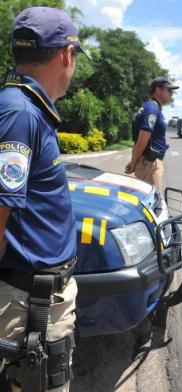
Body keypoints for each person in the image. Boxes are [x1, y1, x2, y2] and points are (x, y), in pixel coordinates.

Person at [0, 7, 89, 392]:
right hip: (29, 305)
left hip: (36, 299)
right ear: (66, 54)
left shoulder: (26, 109)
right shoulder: (20, 113)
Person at [125, 77, 179, 194]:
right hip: (150, 165)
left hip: (149, 164)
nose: (171, 93)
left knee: (150, 202)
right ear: (158, 91)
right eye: (168, 90)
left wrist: (134, 160)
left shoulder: (152, 108)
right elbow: (141, 141)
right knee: (153, 204)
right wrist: (134, 162)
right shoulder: (152, 109)